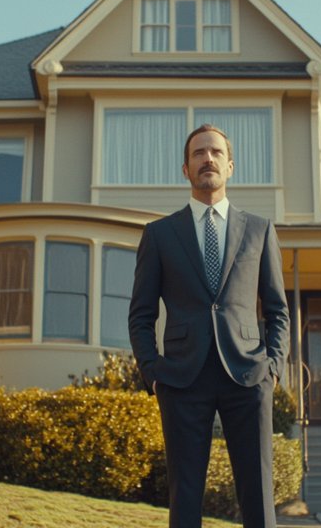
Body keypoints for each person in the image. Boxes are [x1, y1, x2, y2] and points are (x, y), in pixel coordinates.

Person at [128, 124, 290, 528]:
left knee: (258, 496)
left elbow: (277, 310)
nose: (208, 159)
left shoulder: (259, 229)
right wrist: (152, 373)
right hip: (182, 379)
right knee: (184, 497)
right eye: (199, 153)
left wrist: (272, 367)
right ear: (185, 169)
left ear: (230, 165)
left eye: (216, 152)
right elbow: (141, 315)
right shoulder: (160, 235)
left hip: (249, 376)